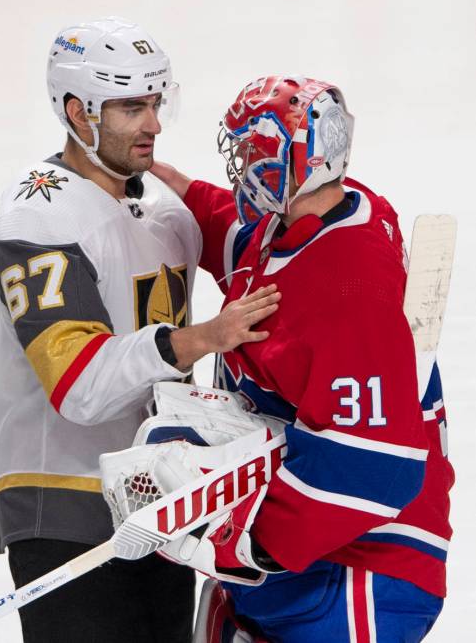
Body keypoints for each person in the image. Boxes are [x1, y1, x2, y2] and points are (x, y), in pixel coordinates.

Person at [0, 18, 279, 643]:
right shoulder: (40, 215)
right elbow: (79, 386)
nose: (154, 124)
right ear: (77, 112)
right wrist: (197, 340)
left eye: (156, 102)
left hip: (156, 494)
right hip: (60, 495)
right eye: (130, 107)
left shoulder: (165, 209)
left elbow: (266, 261)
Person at [151, 75, 453, 642]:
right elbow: (252, 246)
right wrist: (182, 190)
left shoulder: (351, 285)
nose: (239, 168)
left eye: (249, 153)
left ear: (285, 160)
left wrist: (248, 543)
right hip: (302, 563)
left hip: (360, 571)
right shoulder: (317, 214)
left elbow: (375, 466)